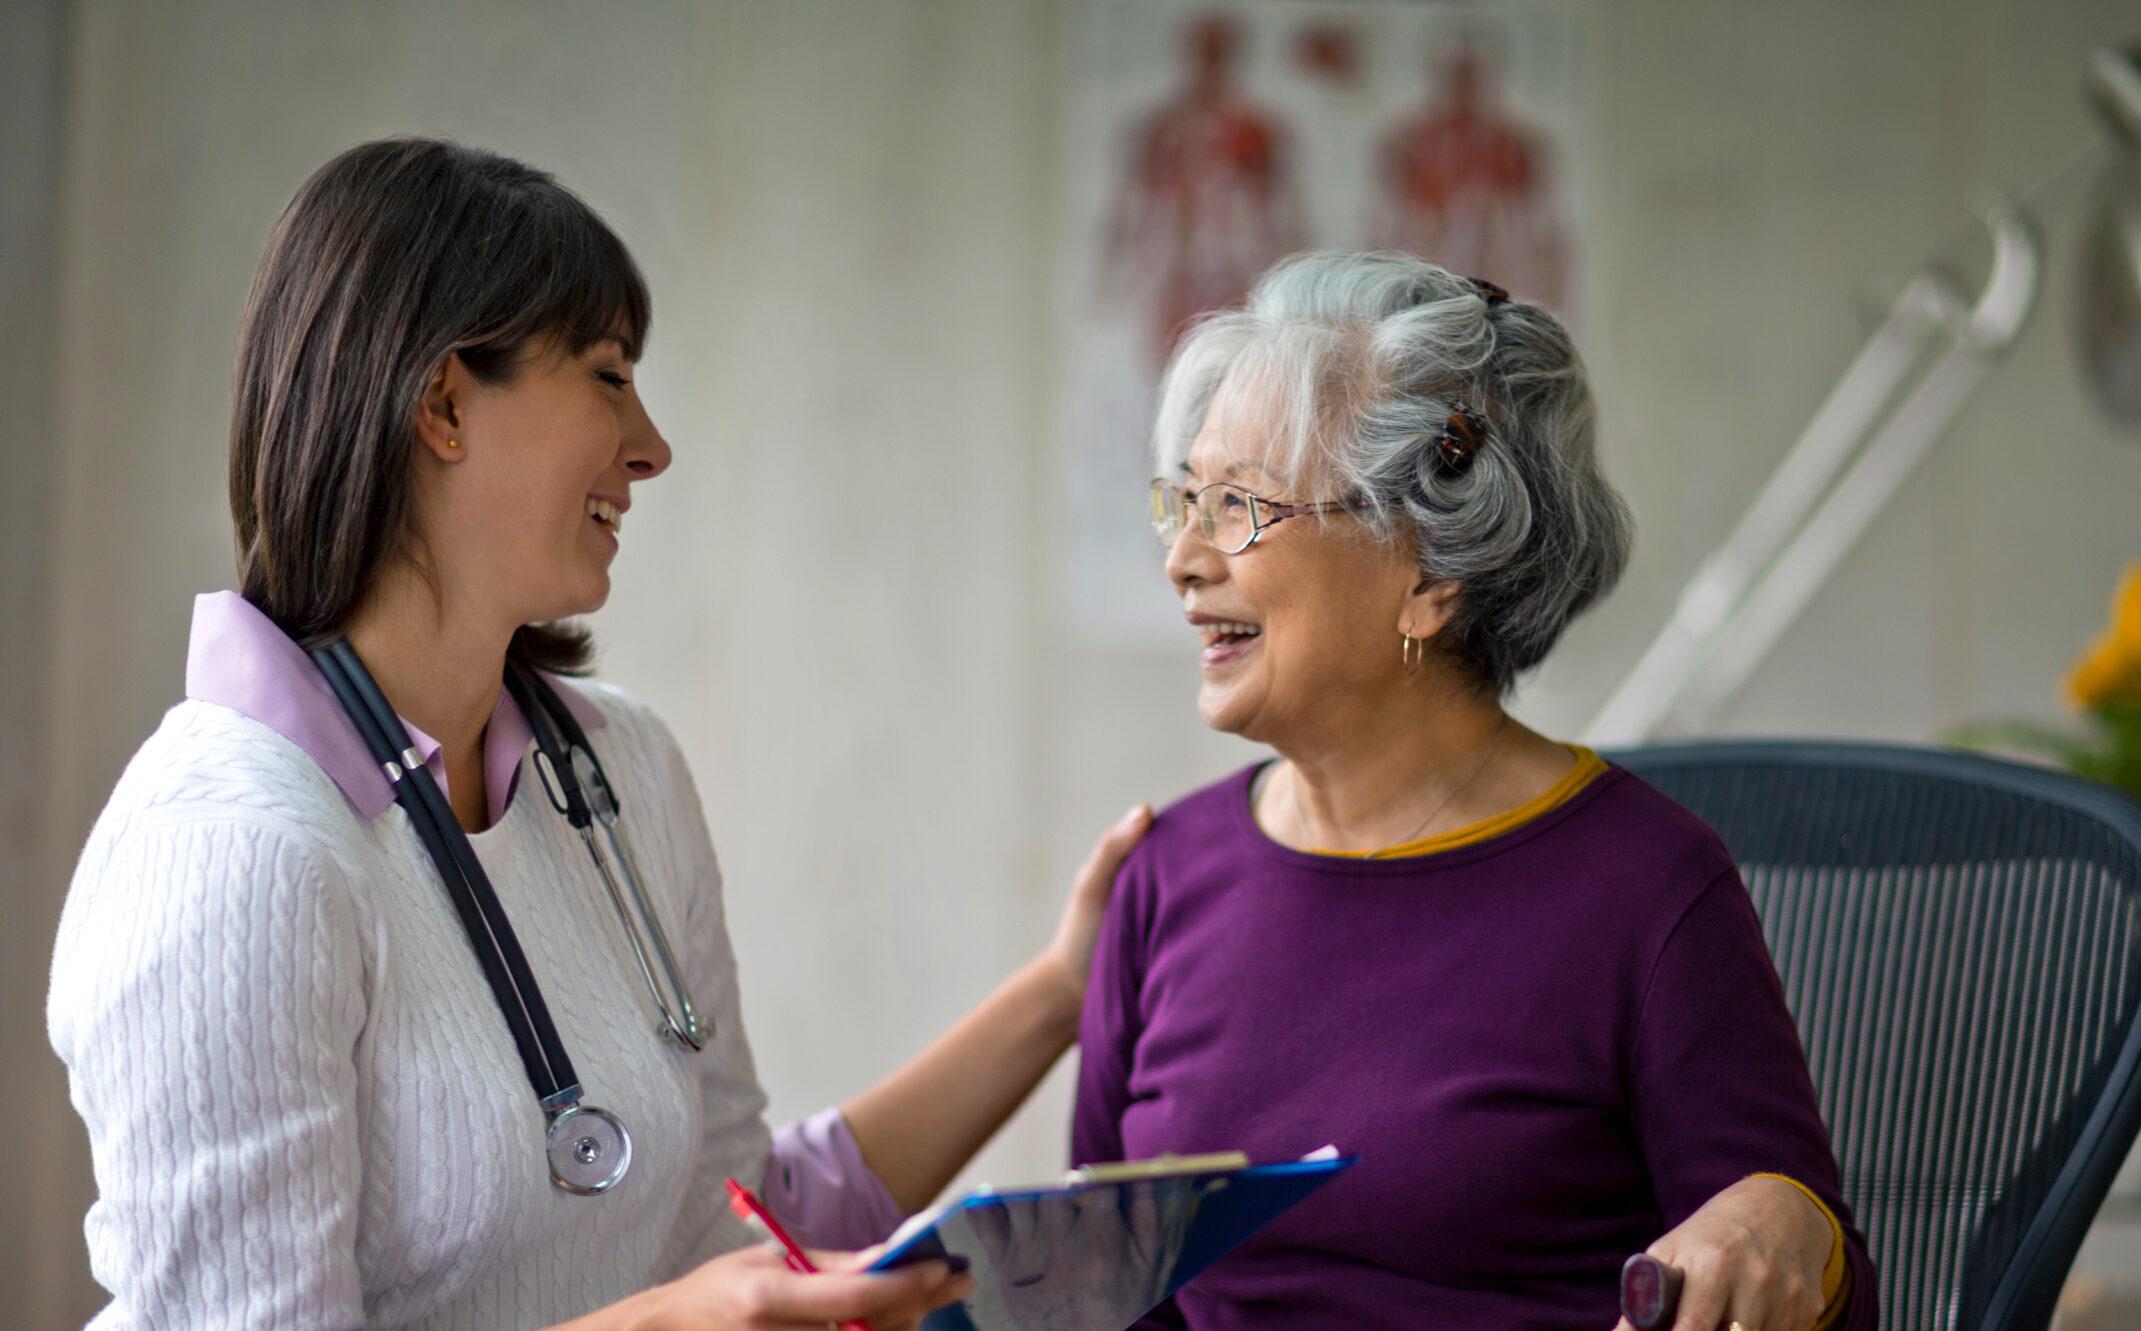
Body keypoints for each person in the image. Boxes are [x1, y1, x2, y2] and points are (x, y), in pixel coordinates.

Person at [47, 137, 1148, 1330]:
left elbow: (738, 1223)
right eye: (609, 374)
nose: (650, 446)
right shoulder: (230, 847)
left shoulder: (620, 773)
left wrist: (1060, 992)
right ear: (444, 402)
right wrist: (667, 1324)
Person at [1076, 251, 1878, 1331]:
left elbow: (1814, 1276)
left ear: (1428, 574)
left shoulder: (1645, 887)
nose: (1182, 557)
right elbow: (1103, 1297)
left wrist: (1787, 1221)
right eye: (1184, 499)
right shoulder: (1163, 877)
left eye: (1236, 505)